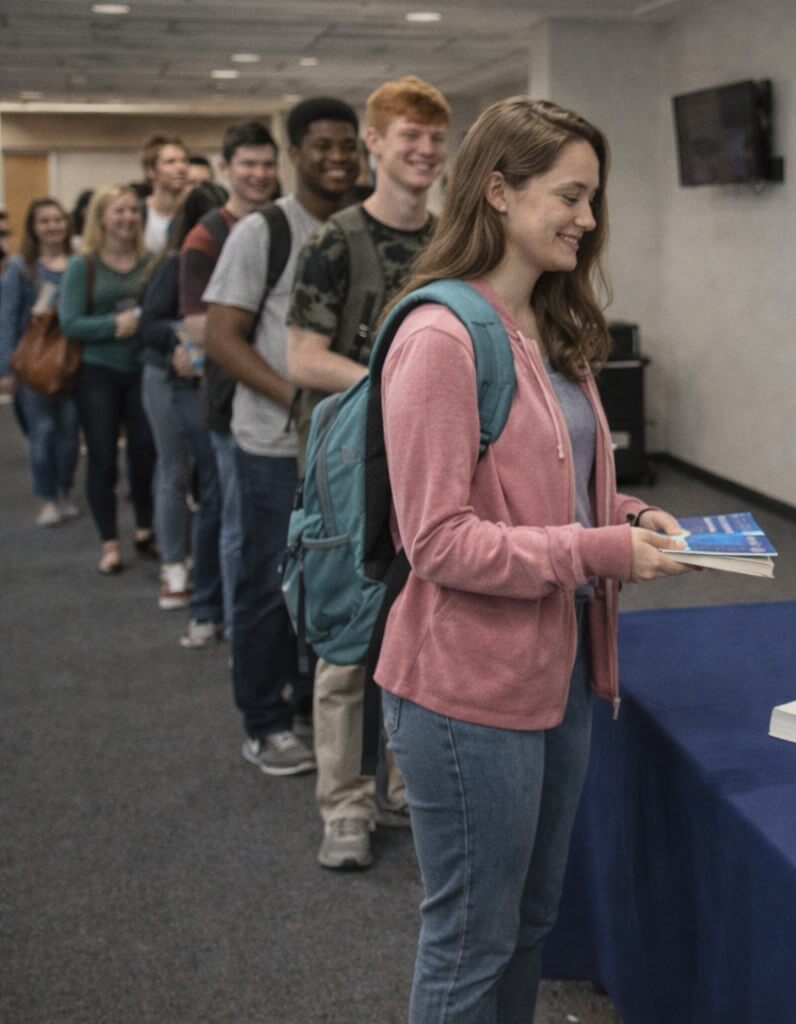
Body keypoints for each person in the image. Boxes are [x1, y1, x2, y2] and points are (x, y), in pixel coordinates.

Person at [377, 96, 694, 1022]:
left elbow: (543, 484)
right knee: (473, 940)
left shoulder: (551, 329)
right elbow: (435, 539)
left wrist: (629, 513)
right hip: (461, 690)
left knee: (529, 921)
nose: (588, 221)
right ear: (498, 191)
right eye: (570, 196)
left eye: (594, 200)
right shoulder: (439, 338)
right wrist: (602, 548)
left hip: (552, 673)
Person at [286, 75, 450, 872]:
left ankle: (398, 785)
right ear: (374, 145)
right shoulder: (333, 241)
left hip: (431, 469)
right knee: (348, 642)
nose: (423, 151)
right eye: (407, 137)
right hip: (349, 469)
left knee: (418, 632)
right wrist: (397, 386)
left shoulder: (452, 242)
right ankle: (344, 804)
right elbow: (301, 357)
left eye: (434, 139)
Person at [203, 97, 360, 776]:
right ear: (294, 154)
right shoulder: (264, 231)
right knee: (268, 581)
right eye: (321, 145)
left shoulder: (365, 227)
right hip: (271, 445)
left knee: (331, 580)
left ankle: (305, 701)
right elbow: (221, 338)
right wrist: (298, 399)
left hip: (345, 450)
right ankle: (263, 720)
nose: (336, 158)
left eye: (348, 146)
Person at [178, 120, 280, 648]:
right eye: (248, 165)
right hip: (231, 403)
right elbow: (202, 329)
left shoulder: (287, 223)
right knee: (235, 519)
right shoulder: (207, 236)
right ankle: (234, 628)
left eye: (267, 164)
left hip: (285, 411)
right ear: (226, 169)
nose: (259, 174)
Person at [58, 183, 157, 575]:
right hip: (97, 372)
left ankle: (146, 529)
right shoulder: (84, 265)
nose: (128, 218)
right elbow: (70, 323)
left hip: (141, 371)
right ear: (101, 217)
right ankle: (109, 541)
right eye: (119, 211)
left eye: (133, 210)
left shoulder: (150, 261)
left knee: (145, 453)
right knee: (102, 458)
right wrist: (116, 325)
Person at [138, 184, 225, 617]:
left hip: (206, 381)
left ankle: (204, 573)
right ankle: (174, 564)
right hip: (168, 378)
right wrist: (185, 335)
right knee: (174, 471)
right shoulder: (175, 263)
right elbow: (147, 324)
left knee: (211, 483)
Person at [0, 197, 82, 527]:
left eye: (58, 220)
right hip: (34, 366)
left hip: (73, 363)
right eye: (44, 221)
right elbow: (6, 318)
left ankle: (63, 491)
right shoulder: (22, 269)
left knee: (70, 434)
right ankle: (45, 497)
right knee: (43, 432)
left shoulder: (80, 262)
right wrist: (5, 367)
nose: (53, 226)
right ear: (34, 228)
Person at [140, 135, 190, 253]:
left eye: (184, 161)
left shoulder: (193, 212)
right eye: (170, 162)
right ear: (151, 171)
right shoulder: (138, 213)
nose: (180, 167)